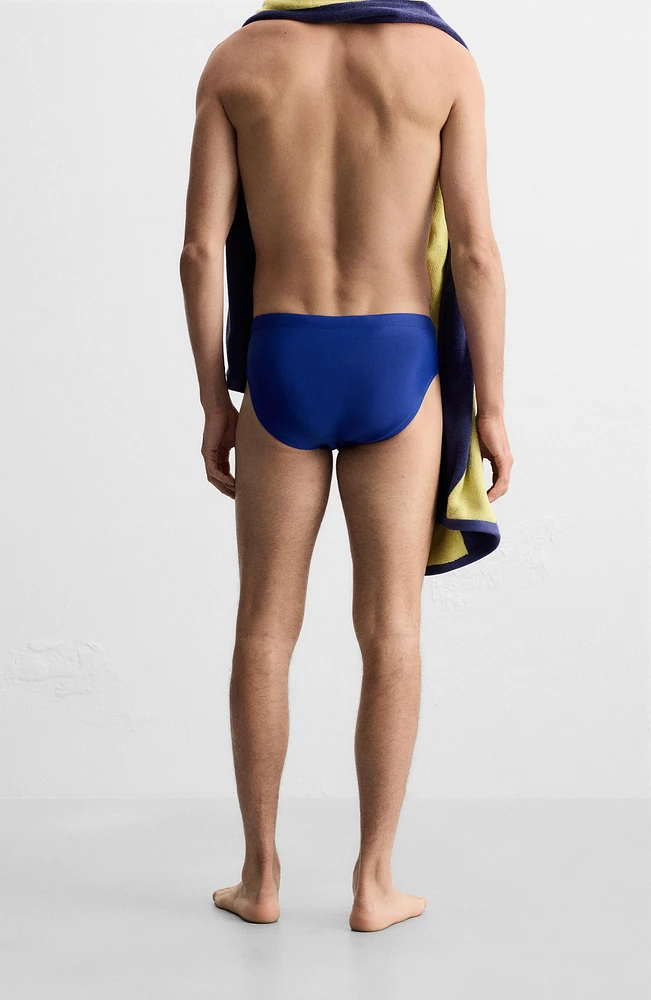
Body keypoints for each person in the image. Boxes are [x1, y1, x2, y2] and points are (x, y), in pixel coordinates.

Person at [180, 16, 513, 933]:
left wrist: (214, 400)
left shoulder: (238, 61)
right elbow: (476, 251)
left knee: (263, 625)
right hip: (396, 358)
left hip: (282, 353)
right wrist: (489, 406)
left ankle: (260, 878)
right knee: (391, 628)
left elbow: (201, 250)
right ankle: (373, 884)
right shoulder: (443, 61)